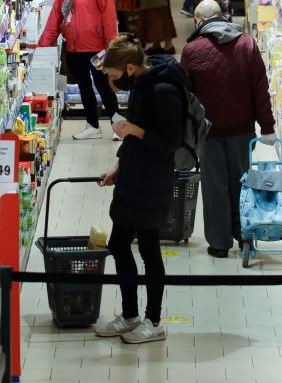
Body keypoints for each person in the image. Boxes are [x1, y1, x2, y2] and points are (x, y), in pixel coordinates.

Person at [95, 35, 186, 344]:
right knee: (119, 244)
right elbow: (136, 137)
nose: (112, 81)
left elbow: (169, 143)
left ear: (130, 67)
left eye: (114, 75)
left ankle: (155, 321)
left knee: (149, 250)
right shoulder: (140, 86)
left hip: (153, 179)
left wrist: (132, 129)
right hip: (133, 175)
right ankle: (130, 314)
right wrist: (118, 167)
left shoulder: (163, 90)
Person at [180, 0, 276, 258]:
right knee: (243, 185)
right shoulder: (247, 44)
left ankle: (219, 243)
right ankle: (244, 235)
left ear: (199, 20)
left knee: (214, 189)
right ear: (222, 17)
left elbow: (186, 98)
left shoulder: (191, 50)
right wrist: (267, 127)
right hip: (242, 132)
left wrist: (185, 135)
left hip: (208, 133)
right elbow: (260, 90)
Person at [37, 0, 120, 141]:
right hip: (74, 49)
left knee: (104, 85)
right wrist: (43, 47)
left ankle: (118, 126)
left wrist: (111, 47)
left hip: (97, 48)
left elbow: (109, 18)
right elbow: (54, 20)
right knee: (84, 86)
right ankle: (92, 125)